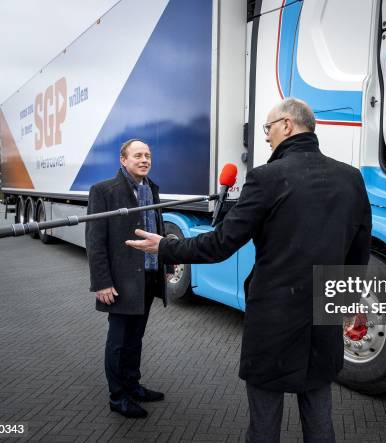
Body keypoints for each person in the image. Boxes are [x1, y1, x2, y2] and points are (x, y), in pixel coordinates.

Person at [126, 98, 372, 440]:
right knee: (319, 416)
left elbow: (220, 244)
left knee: (264, 423)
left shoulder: (267, 178)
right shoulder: (351, 178)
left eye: (268, 128)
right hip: (323, 316)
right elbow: (358, 252)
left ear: (287, 125)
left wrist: (165, 246)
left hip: (274, 319)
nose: (267, 137)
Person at [86, 139, 173, 419]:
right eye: (138, 155)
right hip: (121, 280)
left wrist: (165, 263)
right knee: (119, 341)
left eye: (148, 155)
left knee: (136, 337)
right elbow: (95, 240)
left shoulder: (151, 188)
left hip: (147, 276)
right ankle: (118, 396)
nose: (145, 160)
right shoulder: (103, 191)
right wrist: (101, 282)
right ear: (123, 160)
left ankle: (133, 385)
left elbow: (157, 228)